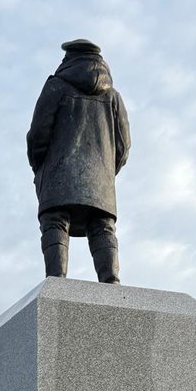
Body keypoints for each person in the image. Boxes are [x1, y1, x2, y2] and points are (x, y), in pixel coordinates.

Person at [26, 39, 130, 283]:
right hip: (100, 182)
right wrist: (105, 172)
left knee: (55, 222)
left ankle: (56, 280)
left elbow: (38, 134)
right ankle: (111, 280)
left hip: (58, 173)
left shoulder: (55, 86)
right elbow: (123, 146)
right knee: (102, 226)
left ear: (68, 59)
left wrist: (41, 168)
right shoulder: (113, 97)